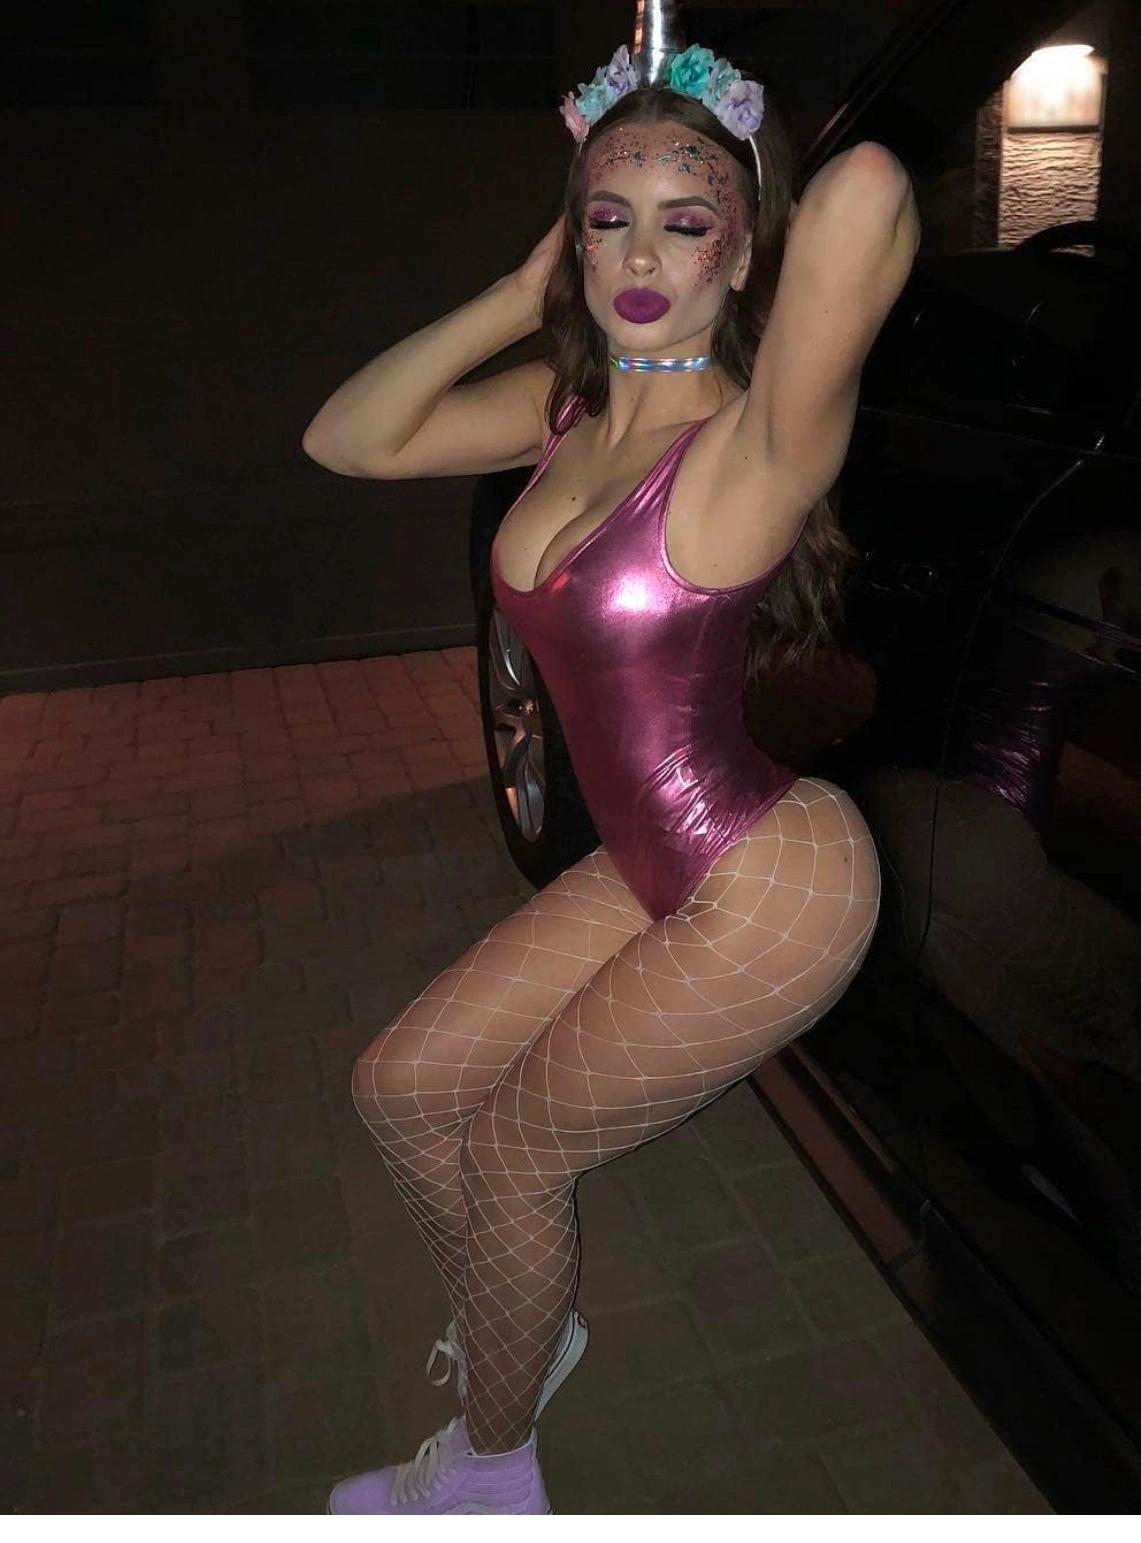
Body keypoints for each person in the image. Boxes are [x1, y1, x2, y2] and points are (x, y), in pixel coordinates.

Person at [302, 16, 918, 1516]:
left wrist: (728, 142)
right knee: (400, 1091)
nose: (641, 253)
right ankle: (525, 1324)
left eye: (687, 223)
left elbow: (872, 195)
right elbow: (347, 441)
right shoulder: (562, 412)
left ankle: (490, 1469)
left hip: (771, 883)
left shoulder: (756, 444)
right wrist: (514, 292)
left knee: (514, 1158)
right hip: (647, 865)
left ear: (741, 251)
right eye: (608, 218)